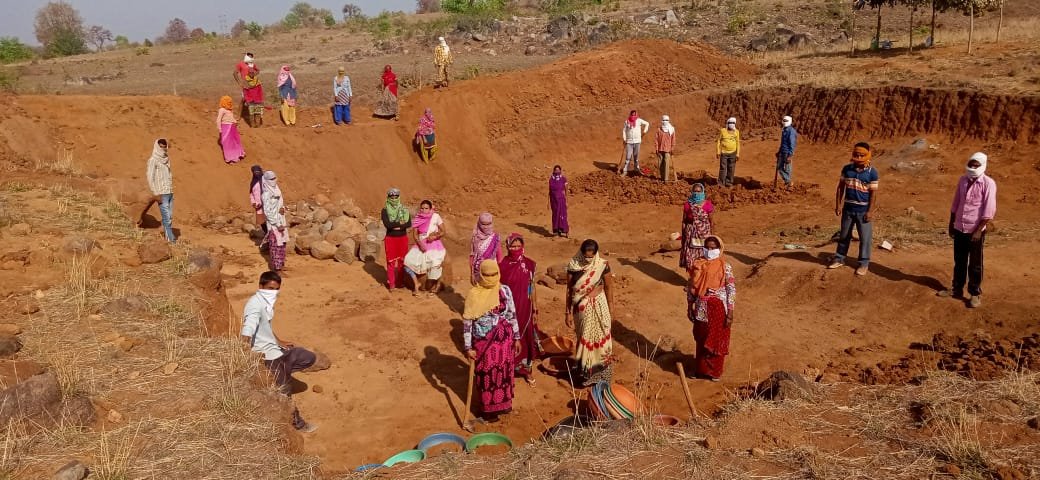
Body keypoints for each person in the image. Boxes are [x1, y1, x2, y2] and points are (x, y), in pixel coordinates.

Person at [240, 271, 318, 433]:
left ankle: (282, 375)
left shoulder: (265, 302)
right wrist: (242, 352)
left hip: (276, 350)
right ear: (260, 286)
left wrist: (279, 341)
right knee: (284, 392)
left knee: (308, 357)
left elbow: (265, 325)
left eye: (276, 289)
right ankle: (298, 424)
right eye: (269, 288)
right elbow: (249, 327)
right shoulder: (255, 305)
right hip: (268, 357)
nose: (273, 292)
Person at [463, 260, 521, 423]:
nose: (490, 278)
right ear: (481, 274)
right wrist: (468, 347)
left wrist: (517, 337)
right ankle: (488, 410)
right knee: (486, 375)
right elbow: (468, 322)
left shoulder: (505, 291)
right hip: (484, 343)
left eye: (493, 274)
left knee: (504, 374)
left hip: (505, 341)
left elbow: (512, 315)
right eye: (487, 275)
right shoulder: (474, 294)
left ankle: (504, 405)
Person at [937, 152, 996, 308]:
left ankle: (975, 293)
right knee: (959, 260)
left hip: (975, 229)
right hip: (959, 227)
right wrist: (951, 224)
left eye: (976, 165)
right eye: (971, 164)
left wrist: (978, 231)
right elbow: (956, 203)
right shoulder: (963, 180)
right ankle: (956, 288)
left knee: (975, 264)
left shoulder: (988, 183)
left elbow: (989, 211)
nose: (973, 167)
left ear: (983, 165)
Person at [565, 239, 614, 386]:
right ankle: (585, 374)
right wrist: (567, 312)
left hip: (600, 304)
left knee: (603, 336)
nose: (589, 259)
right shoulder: (573, 266)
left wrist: (611, 309)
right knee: (584, 337)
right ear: (581, 253)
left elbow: (609, 287)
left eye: (591, 257)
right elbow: (569, 290)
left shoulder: (602, 265)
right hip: (581, 307)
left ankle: (602, 373)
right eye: (586, 256)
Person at [687, 235, 735, 381]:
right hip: (701, 306)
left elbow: (731, 289)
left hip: (718, 307)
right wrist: (690, 305)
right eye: (707, 247)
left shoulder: (725, 266)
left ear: (719, 249)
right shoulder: (697, 265)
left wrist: (730, 312)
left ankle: (714, 372)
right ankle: (700, 370)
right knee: (701, 338)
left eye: (713, 248)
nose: (710, 250)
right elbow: (692, 287)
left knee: (716, 338)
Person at [828, 142, 879, 276]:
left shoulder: (872, 172)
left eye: (861, 155)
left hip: (863, 210)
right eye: (856, 154)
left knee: (865, 238)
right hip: (848, 209)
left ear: (868, 155)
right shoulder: (847, 169)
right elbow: (840, 187)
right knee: (844, 235)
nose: (858, 157)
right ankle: (839, 258)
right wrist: (838, 205)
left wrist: (870, 211)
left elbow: (873, 194)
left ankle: (863, 263)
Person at [499, 234, 540, 385]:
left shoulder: (529, 264)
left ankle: (527, 370)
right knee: (509, 339)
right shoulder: (502, 266)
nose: (516, 249)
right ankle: (508, 371)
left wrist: (535, 308)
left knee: (527, 338)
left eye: (518, 246)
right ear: (507, 247)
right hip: (509, 310)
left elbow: (532, 286)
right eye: (512, 246)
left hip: (526, 309)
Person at [404, 200, 447, 296]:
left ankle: (438, 284)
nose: (424, 210)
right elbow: (415, 235)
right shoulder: (418, 218)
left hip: (434, 243)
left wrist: (435, 236)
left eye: (426, 208)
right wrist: (420, 244)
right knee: (407, 262)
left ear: (431, 208)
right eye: (422, 208)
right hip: (421, 243)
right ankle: (416, 284)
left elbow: (443, 231)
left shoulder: (436, 217)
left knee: (435, 262)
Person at [145, 138, 176, 243]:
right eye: (161, 146)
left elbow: (169, 175)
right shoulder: (153, 160)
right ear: (157, 146)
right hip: (161, 193)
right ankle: (170, 240)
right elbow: (150, 177)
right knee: (167, 217)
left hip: (169, 191)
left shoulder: (167, 159)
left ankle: (167, 236)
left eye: (164, 146)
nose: (163, 148)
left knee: (170, 216)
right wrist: (155, 193)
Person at [381, 188, 412, 291]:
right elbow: (387, 225)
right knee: (390, 262)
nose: (394, 199)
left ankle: (399, 282)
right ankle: (392, 284)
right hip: (390, 239)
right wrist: (400, 224)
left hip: (402, 238)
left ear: (399, 197)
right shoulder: (385, 210)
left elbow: (409, 224)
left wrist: (395, 225)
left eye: (396, 197)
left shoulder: (404, 209)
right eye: (392, 197)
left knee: (402, 261)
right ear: (388, 197)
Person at [679, 183, 714, 271]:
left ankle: (702, 277)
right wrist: (684, 235)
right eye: (695, 191)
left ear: (702, 192)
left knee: (703, 254)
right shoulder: (688, 204)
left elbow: (711, 221)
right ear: (692, 192)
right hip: (690, 233)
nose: (696, 193)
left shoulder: (708, 204)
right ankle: (692, 277)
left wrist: (712, 236)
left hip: (704, 233)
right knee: (691, 256)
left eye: (699, 191)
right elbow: (684, 221)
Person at [262, 171, 289, 274]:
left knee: (282, 244)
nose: (273, 181)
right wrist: (277, 224)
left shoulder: (277, 190)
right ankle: (277, 269)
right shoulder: (266, 194)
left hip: (281, 220)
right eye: (271, 179)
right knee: (276, 245)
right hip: (274, 224)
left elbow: (280, 204)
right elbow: (268, 212)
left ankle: (281, 265)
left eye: (274, 178)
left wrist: (283, 208)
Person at [469, 213, 502, 285]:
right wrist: (472, 274)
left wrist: (499, 272)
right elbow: (472, 256)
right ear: (479, 223)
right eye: (483, 224)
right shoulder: (475, 238)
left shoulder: (495, 238)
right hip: (478, 272)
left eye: (488, 224)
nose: (486, 227)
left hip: (492, 273)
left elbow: (499, 256)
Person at [233, 54, 264, 128]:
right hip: (245, 85)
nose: (251, 58)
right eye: (249, 56)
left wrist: (254, 76)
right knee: (243, 99)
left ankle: (253, 116)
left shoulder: (252, 64)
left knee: (253, 100)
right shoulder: (241, 64)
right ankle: (238, 115)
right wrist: (240, 83)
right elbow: (235, 73)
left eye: (251, 57)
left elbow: (258, 70)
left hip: (253, 86)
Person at [618, 110, 650, 177]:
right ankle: (625, 171)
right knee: (628, 157)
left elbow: (647, 123)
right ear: (630, 115)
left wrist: (644, 131)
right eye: (632, 115)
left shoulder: (639, 120)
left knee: (636, 156)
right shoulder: (627, 121)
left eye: (634, 115)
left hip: (637, 141)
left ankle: (636, 170)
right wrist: (624, 139)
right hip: (629, 141)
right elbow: (624, 131)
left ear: (636, 115)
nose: (633, 116)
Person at [217, 96, 245, 163]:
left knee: (235, 141)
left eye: (230, 101)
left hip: (233, 127)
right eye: (228, 101)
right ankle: (230, 158)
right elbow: (218, 120)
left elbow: (232, 118)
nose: (230, 102)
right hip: (226, 128)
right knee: (227, 143)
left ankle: (237, 155)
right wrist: (220, 129)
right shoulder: (221, 110)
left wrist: (235, 122)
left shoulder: (230, 110)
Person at [774, 115, 797, 189]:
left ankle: (788, 183)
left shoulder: (791, 131)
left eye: (786, 121)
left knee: (787, 169)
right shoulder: (784, 130)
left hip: (787, 153)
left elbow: (792, 144)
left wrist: (790, 155)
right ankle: (788, 182)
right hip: (782, 152)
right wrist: (779, 151)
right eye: (784, 120)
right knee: (779, 167)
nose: (785, 122)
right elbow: (782, 143)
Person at [717, 117, 740, 188]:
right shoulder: (723, 131)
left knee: (731, 168)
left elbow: (738, 143)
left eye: (733, 123)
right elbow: (718, 141)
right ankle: (721, 183)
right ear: (727, 123)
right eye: (730, 123)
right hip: (724, 153)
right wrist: (718, 152)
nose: (731, 124)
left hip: (733, 153)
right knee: (723, 168)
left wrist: (738, 154)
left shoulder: (736, 132)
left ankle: (729, 183)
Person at [655, 115, 677, 183]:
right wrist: (656, 148)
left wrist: (672, 148)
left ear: (669, 121)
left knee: (666, 164)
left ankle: (666, 179)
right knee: (660, 164)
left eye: (666, 120)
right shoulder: (659, 129)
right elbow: (656, 140)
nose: (665, 122)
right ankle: (662, 177)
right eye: (664, 120)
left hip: (668, 150)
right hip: (660, 149)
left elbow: (673, 139)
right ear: (662, 121)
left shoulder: (672, 129)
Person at [248, 165, 267, 246]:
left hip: (266, 205)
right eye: (255, 172)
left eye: (258, 172)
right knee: (262, 222)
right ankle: (267, 234)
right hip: (258, 206)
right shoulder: (253, 182)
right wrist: (253, 203)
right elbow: (251, 194)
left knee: (269, 221)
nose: (257, 173)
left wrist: (263, 202)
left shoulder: (265, 181)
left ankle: (270, 236)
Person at [548, 165, 569, 238]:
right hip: (553, 201)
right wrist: (548, 203)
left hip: (561, 200)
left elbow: (566, 190)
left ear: (560, 171)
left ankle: (564, 230)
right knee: (555, 215)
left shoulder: (563, 179)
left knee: (563, 214)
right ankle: (556, 231)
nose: (557, 171)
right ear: (553, 171)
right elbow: (550, 191)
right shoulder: (551, 179)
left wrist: (566, 200)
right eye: (555, 170)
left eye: (558, 170)